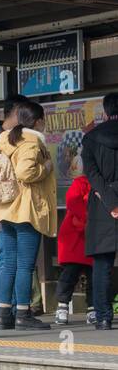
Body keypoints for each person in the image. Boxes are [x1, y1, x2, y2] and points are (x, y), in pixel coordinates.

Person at [0, 99, 54, 330]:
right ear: (38, 121)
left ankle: (4, 313)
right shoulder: (31, 142)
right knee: (25, 265)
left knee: (8, 263)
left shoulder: (6, 140)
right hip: (25, 211)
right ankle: (23, 314)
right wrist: (45, 168)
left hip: (5, 209)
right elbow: (25, 172)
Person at [81, 92, 118, 331]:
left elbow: (92, 175)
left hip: (103, 205)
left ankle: (104, 317)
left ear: (105, 112)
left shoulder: (91, 138)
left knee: (102, 263)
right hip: (109, 201)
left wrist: (112, 202)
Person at [56, 172, 94, 326]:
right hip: (76, 237)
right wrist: (89, 218)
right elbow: (73, 202)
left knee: (94, 276)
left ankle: (92, 308)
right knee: (70, 274)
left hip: (91, 235)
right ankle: (62, 307)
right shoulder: (81, 182)